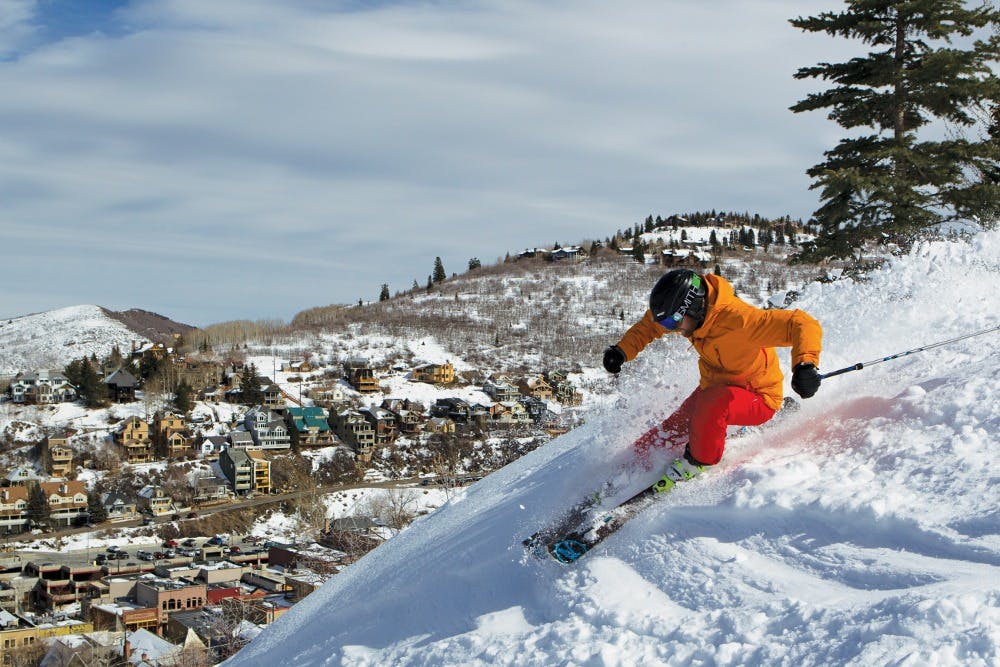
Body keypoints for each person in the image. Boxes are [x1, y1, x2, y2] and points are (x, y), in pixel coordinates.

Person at [603, 269, 822, 467]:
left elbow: (801, 323)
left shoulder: (741, 321)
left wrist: (805, 365)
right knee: (673, 428)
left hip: (759, 398)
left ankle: (700, 460)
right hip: (717, 389)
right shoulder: (693, 319)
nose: (673, 329)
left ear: (694, 307)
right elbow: (649, 326)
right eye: (668, 324)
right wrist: (621, 351)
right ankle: (634, 462)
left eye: (673, 323)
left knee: (712, 404)